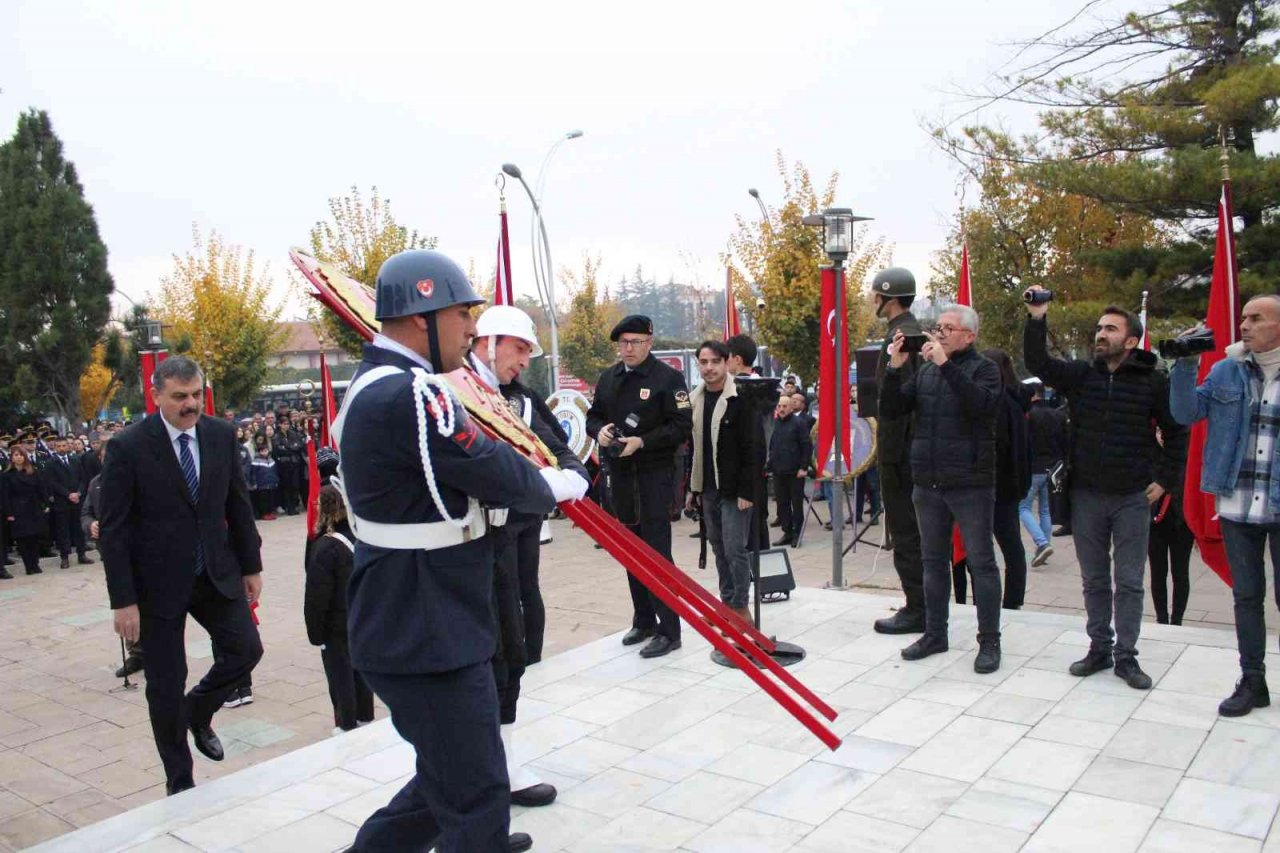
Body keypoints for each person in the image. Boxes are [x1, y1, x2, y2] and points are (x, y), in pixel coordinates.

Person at [337, 250, 580, 853]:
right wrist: (550, 483)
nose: (473, 328)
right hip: (424, 625)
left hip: (421, 616)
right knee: (475, 795)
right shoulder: (410, 395)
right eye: (463, 313)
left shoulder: (383, 385)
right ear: (423, 317)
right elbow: (484, 463)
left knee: (449, 777)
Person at [99, 355, 264, 795]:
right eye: (180, 397)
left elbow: (237, 505)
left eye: (196, 395)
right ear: (156, 397)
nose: (190, 405)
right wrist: (123, 599)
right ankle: (180, 780)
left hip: (215, 573)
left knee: (246, 649)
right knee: (166, 685)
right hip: (156, 587)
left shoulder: (220, 435)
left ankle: (198, 712)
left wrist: (251, 566)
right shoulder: (128, 447)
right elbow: (112, 530)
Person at [1025, 291, 1186, 690]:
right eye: (1099, 328)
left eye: (1110, 329)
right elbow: (1039, 363)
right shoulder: (1083, 376)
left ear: (1131, 341)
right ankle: (1099, 646)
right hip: (1087, 496)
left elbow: (1179, 430)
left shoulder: (1153, 380)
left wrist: (1165, 479)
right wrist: (1037, 317)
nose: (1101, 334)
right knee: (1094, 580)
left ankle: (1126, 657)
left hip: (1132, 496)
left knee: (1129, 581)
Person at [470, 304, 588, 809]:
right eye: (520, 350)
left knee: (511, 651)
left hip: (515, 534)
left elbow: (562, 448)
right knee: (479, 656)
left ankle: (504, 763)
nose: (524, 362)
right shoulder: (453, 390)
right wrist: (533, 482)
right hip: (467, 545)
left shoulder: (519, 397)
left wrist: (570, 476)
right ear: (490, 341)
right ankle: (477, 772)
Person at [1170, 295, 1280, 716]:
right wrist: (1183, 363)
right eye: (1243, 318)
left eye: (1257, 319)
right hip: (1236, 504)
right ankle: (1253, 681)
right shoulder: (1226, 370)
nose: (1245, 325)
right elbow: (1184, 413)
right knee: (1247, 596)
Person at [880, 306, 1004, 673]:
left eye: (948, 328)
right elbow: (891, 409)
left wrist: (946, 366)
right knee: (932, 561)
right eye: (939, 327)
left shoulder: (985, 370)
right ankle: (936, 633)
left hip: (970, 483)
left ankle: (990, 641)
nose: (941, 333)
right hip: (928, 482)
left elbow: (981, 406)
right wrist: (895, 367)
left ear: (970, 336)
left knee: (981, 564)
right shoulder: (927, 372)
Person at [586, 314, 693, 659]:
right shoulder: (610, 377)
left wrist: (642, 442)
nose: (627, 349)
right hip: (620, 475)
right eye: (623, 343)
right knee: (630, 549)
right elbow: (593, 416)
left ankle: (669, 629)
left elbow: (681, 426)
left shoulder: (668, 378)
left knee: (657, 553)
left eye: (634, 342)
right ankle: (644, 619)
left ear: (649, 343)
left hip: (654, 474)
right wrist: (598, 431)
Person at [870, 267, 927, 633]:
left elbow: (903, 399)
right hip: (904, 448)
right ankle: (922, 604)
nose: (872, 300)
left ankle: (917, 607)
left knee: (906, 531)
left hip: (901, 451)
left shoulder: (903, 337)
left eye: (876, 294)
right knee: (911, 531)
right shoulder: (908, 331)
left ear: (888, 298)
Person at [689, 340, 761, 626]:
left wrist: (748, 490)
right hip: (708, 487)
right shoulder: (695, 400)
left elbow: (754, 448)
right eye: (703, 362)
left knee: (735, 550)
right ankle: (727, 603)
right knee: (718, 549)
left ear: (726, 361)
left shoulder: (741, 398)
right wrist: (692, 489)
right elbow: (694, 448)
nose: (709, 368)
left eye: (714, 362)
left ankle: (741, 608)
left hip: (734, 491)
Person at [305, 484, 373, 733]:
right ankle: (366, 714)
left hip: (336, 625)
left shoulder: (325, 547)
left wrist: (315, 633)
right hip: (361, 618)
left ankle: (347, 722)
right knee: (360, 671)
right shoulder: (361, 536)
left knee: (340, 675)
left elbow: (316, 597)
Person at [984, 349, 1033, 609]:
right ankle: (1014, 599)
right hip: (1012, 484)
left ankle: (1008, 600)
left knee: (999, 548)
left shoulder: (999, 404)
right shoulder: (1017, 401)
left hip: (995, 485)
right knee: (1012, 546)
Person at [1021, 380, 1067, 566]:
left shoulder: (1028, 416)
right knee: (1045, 510)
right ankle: (1044, 545)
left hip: (1033, 467)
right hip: (1053, 468)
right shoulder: (1057, 415)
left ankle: (1042, 542)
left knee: (1023, 507)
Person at [768, 396, 812, 548]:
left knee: (796, 504)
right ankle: (787, 532)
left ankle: (796, 533)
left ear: (791, 407)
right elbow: (773, 444)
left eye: (784, 406)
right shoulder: (777, 423)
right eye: (779, 406)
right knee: (782, 504)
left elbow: (806, 446)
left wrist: (803, 467)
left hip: (795, 472)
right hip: (779, 471)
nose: (781, 409)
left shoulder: (799, 423)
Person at [43, 436, 93, 569]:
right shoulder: (50, 463)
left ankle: (81, 554)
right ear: (55, 447)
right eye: (59, 446)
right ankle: (64, 557)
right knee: (63, 531)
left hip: (77, 500)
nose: (62, 448)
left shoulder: (75, 460)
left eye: (64, 445)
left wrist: (79, 493)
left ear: (67, 446)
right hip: (61, 502)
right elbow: (51, 483)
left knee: (78, 529)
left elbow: (84, 478)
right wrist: (68, 494)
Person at [1, 446, 44, 577]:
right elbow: (5, 496)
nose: (18, 457)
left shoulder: (32, 471)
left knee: (34, 537)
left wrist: (44, 504)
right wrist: (9, 513)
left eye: (20, 455)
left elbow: (40, 489)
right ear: (11, 458)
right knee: (23, 539)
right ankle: (28, 566)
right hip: (17, 509)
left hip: (33, 508)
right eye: (15, 455)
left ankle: (35, 563)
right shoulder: (7, 475)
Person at [250, 442, 279, 520]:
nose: (265, 452)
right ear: (259, 452)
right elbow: (253, 474)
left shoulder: (271, 460)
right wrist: (254, 483)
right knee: (263, 500)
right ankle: (264, 513)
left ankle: (270, 512)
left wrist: (276, 481)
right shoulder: (256, 461)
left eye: (266, 450)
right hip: (261, 484)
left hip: (271, 483)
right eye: (263, 451)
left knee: (271, 499)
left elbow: (275, 472)